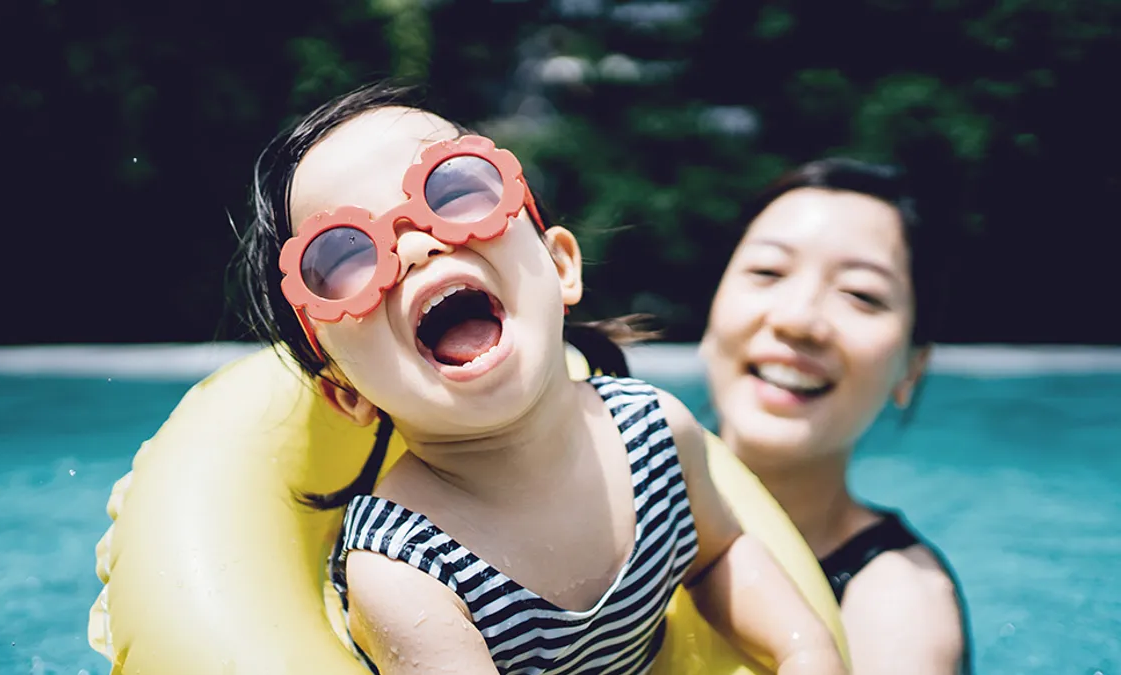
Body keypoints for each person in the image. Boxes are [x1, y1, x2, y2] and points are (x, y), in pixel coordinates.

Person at [236, 82, 848, 675]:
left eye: (451, 191)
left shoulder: (657, 434)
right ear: (347, 392)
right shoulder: (405, 568)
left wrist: (803, 652)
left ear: (560, 266)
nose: (420, 246)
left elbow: (718, 559)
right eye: (344, 256)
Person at [698, 157, 973, 674]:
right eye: (767, 272)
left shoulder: (900, 605)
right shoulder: (592, 490)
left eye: (861, 295)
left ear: (912, 367)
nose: (799, 319)